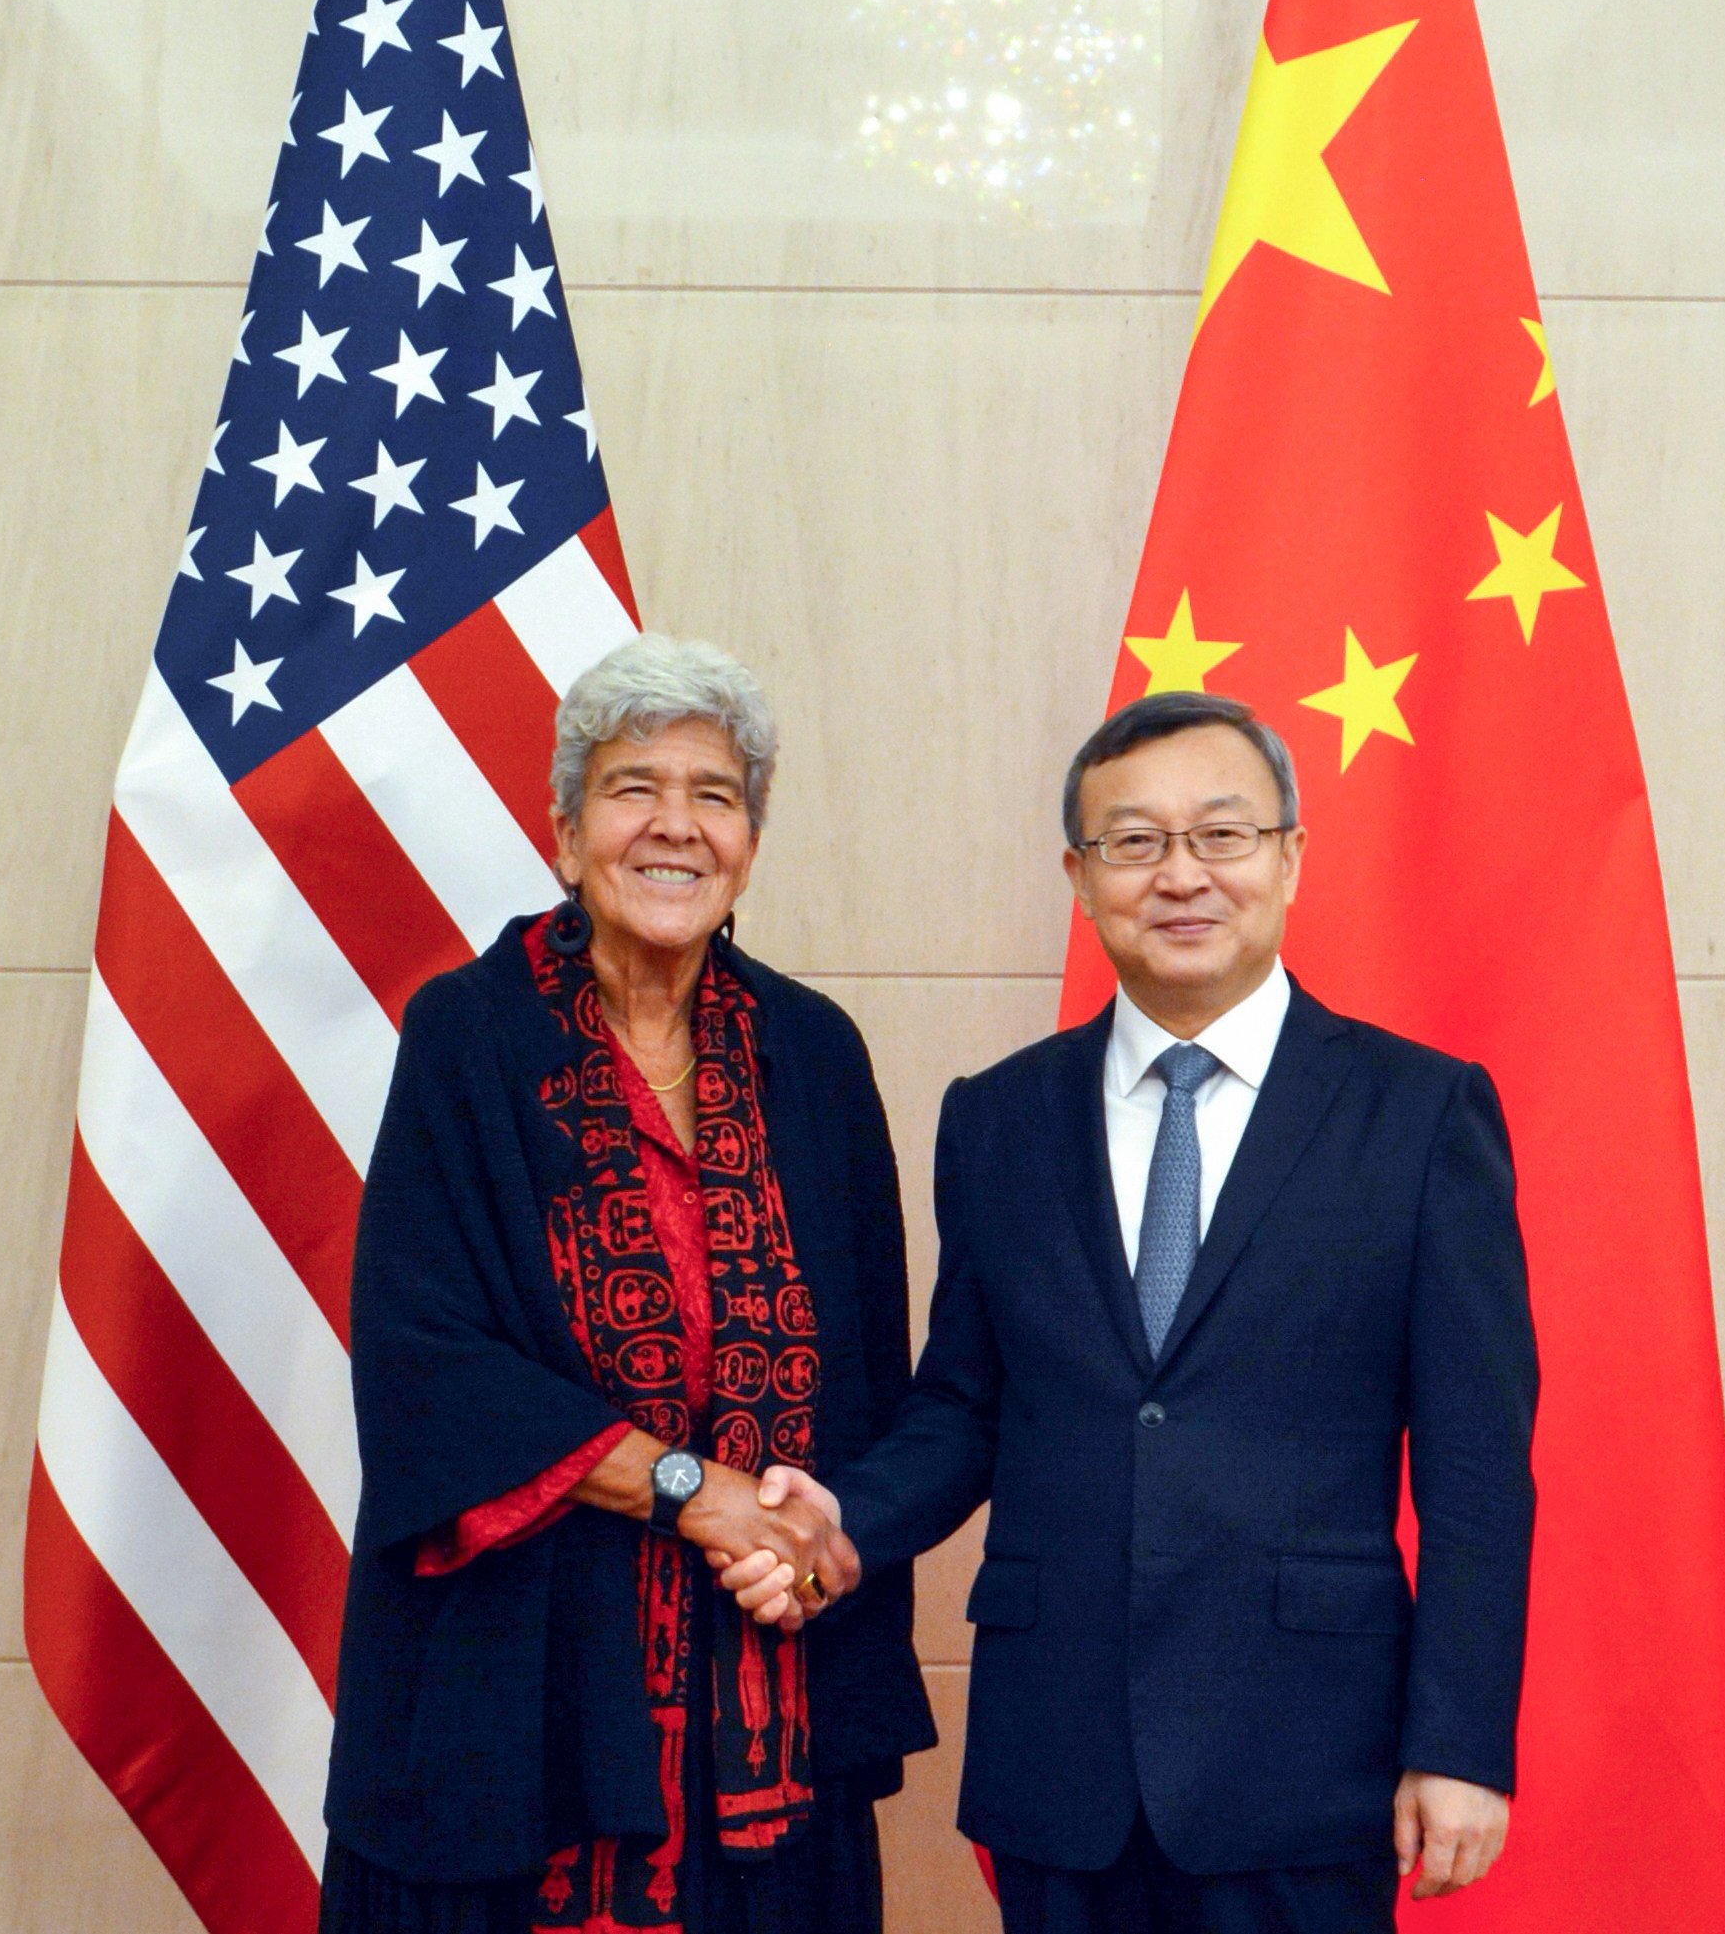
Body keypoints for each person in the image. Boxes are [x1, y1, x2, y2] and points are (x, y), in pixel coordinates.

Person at [723, 691, 1538, 1932]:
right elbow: (964, 1406)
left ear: (1289, 857)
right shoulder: (998, 1117)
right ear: (1081, 875)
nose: (1181, 875)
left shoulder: (1420, 1114)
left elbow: (1479, 1468)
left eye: (1221, 835)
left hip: (1310, 1760)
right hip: (1060, 1756)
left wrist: (1462, 1742)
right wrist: (847, 1510)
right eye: (1135, 841)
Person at [320, 634, 936, 1934]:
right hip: (515, 1711)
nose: (675, 825)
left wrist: (821, 1539)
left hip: (766, 1706)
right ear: (564, 833)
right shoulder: (467, 1036)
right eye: (631, 787)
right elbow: (428, 1367)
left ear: (750, 844)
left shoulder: (817, 1056)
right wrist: (696, 1495)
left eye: (714, 794)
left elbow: (872, 1384)